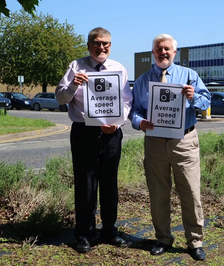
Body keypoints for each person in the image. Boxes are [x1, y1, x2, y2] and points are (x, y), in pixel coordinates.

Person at [129, 33, 211, 261]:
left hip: (183, 142)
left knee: (191, 193)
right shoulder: (143, 80)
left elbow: (206, 102)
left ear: (174, 52)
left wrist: (194, 97)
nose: (163, 52)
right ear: (152, 53)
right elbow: (134, 110)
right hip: (155, 143)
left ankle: (195, 242)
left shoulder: (189, 76)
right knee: (158, 193)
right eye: (158, 49)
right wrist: (139, 122)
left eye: (167, 49)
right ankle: (163, 238)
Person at [55, 27, 132, 253]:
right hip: (84, 133)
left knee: (110, 184)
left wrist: (118, 123)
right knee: (85, 185)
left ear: (110, 45)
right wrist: (73, 85)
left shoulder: (118, 68)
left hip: (111, 133)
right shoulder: (75, 67)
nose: (101, 47)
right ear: (89, 45)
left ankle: (109, 231)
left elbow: (126, 101)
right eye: (97, 43)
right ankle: (85, 234)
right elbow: (60, 98)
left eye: (106, 43)